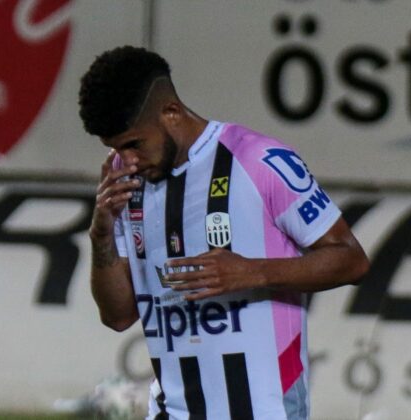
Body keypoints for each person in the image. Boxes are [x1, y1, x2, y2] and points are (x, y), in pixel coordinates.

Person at [79, 45, 369, 420]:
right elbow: (117, 316)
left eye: (134, 143)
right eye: (115, 148)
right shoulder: (124, 182)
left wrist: (252, 272)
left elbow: (351, 260)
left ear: (171, 112)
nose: (127, 159)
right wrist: (101, 235)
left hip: (264, 409)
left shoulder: (260, 161)